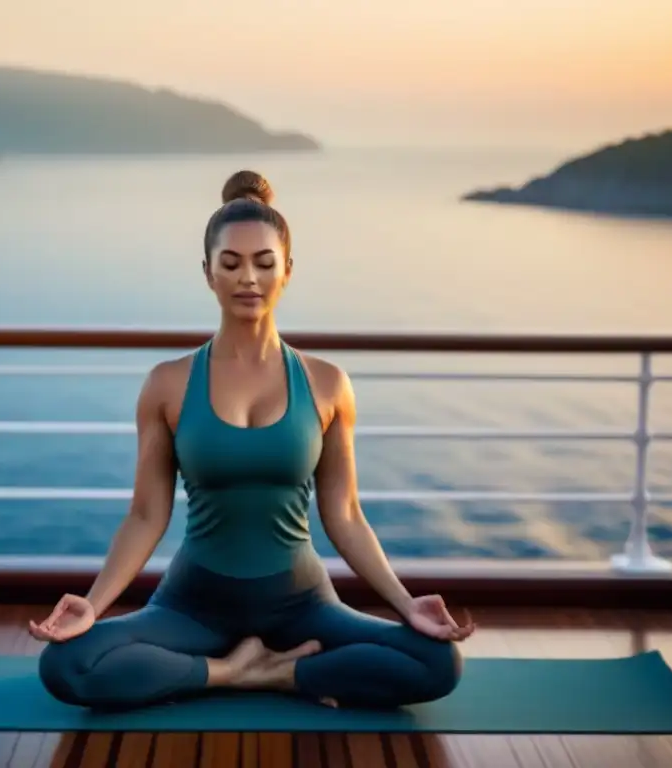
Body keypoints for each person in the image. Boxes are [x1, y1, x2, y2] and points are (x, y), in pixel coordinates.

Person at [29, 170, 476, 711]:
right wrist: (94, 605)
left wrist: (405, 604)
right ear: (208, 273)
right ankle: (231, 673)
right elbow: (147, 514)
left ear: (287, 271)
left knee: (437, 662)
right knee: (66, 665)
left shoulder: (327, 384)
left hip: (302, 605)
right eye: (231, 263)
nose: (249, 278)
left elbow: (347, 514)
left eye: (264, 263)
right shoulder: (168, 384)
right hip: (192, 607)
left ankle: (280, 675)